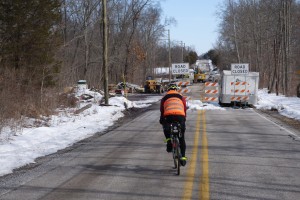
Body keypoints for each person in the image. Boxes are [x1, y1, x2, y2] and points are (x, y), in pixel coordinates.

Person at [159, 83, 187, 166]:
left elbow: (162, 110)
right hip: (180, 116)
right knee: (181, 138)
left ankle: (169, 144)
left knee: (166, 129)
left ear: (168, 90)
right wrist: (184, 118)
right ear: (176, 89)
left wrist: (162, 119)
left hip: (169, 116)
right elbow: (185, 108)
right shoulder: (181, 96)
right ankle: (183, 158)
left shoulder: (164, 97)